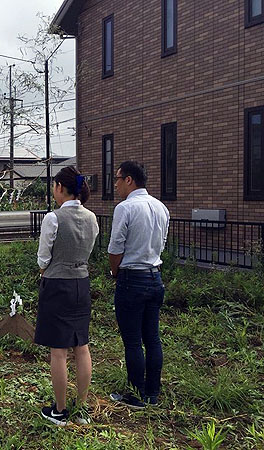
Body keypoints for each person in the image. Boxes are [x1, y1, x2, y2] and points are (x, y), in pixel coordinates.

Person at [36, 166, 99, 426]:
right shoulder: (92, 217)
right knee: (81, 346)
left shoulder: (53, 218)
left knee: (58, 351)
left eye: (54, 186)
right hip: (81, 284)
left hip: (57, 284)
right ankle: (81, 408)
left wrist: (47, 268)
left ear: (60, 187)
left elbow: (43, 259)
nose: (54, 190)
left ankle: (60, 410)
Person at [108, 161, 170, 409]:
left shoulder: (125, 208)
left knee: (133, 341)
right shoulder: (161, 207)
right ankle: (152, 394)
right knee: (152, 338)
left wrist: (115, 273)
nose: (116, 184)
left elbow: (115, 249)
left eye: (118, 179)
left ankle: (136, 395)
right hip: (155, 276)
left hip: (131, 278)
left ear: (129, 180)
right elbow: (162, 243)